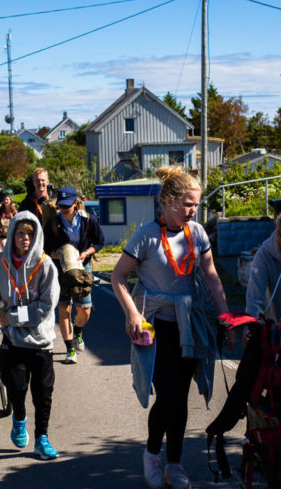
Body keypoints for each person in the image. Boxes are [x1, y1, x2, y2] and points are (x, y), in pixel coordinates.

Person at [111, 166, 229, 489]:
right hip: (156, 327)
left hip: (188, 326)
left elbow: (211, 277)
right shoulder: (146, 235)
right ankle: (152, 454)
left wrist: (225, 316)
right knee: (169, 396)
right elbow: (118, 276)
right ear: (169, 201)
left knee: (181, 399)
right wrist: (133, 314)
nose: (194, 210)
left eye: (196, 204)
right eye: (189, 204)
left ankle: (174, 465)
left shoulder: (198, 233)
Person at [0, 211, 61, 460]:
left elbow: (45, 307)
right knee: (15, 386)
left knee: (43, 392)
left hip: (40, 340)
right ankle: (19, 416)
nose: (25, 238)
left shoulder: (45, 265)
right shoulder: (2, 261)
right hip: (12, 339)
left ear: (36, 235)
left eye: (30, 233)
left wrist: (12, 317)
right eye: (20, 233)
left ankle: (42, 438)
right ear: (12, 234)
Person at [43, 186, 104, 364]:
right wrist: (56, 254)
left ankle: (78, 331)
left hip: (82, 269)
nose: (63, 209)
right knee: (64, 309)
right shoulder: (53, 223)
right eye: (60, 206)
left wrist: (87, 253)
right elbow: (45, 247)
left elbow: (100, 242)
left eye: (67, 206)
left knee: (84, 310)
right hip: (60, 270)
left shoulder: (88, 221)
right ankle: (70, 349)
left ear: (76, 204)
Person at [0, 188, 17, 261]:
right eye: (5, 199)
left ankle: (5, 261)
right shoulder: (0, 208)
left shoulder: (13, 209)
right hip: (1, 232)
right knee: (4, 246)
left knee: (9, 248)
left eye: (7, 199)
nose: (6, 201)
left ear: (10, 200)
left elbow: (17, 220)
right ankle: (5, 261)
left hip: (10, 232)